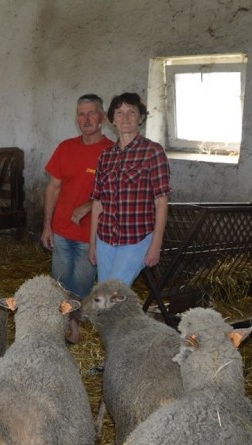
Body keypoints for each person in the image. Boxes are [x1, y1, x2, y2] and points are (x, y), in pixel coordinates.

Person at [41, 94, 113, 342]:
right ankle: (68, 329)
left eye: (92, 113)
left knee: (82, 286)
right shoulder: (66, 147)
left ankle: (75, 324)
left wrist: (89, 205)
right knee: (59, 284)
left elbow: (117, 195)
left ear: (102, 117)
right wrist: (47, 227)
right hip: (61, 230)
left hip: (90, 237)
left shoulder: (112, 152)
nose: (86, 119)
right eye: (81, 114)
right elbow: (53, 188)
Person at [89, 92, 171, 287]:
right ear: (112, 119)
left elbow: (161, 201)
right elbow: (98, 202)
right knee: (104, 293)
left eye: (131, 112)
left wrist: (155, 245)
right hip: (106, 237)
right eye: (119, 112)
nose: (125, 117)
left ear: (141, 118)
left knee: (111, 295)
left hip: (136, 239)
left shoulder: (153, 152)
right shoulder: (106, 156)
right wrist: (92, 243)